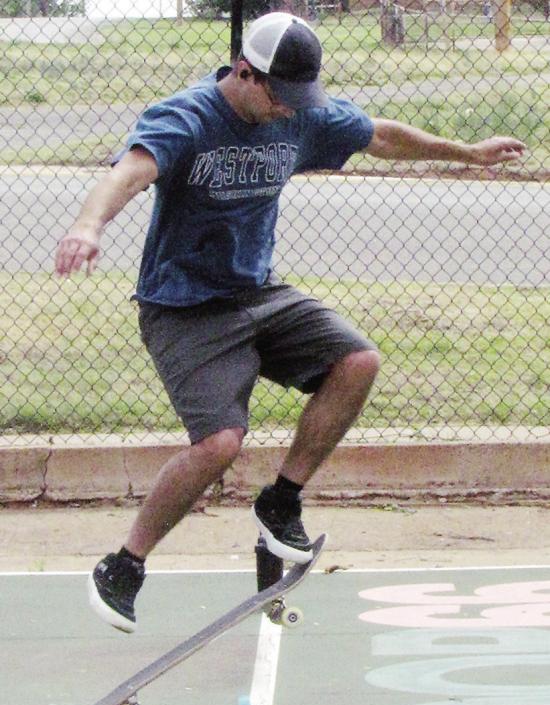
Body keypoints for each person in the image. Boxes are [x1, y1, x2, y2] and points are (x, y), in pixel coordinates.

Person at [55, 12, 526, 634]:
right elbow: (131, 171)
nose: (287, 112)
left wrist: (465, 153)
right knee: (220, 442)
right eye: (278, 97)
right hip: (184, 307)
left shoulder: (298, 112)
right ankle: (124, 565)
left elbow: (379, 136)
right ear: (244, 74)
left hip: (260, 292)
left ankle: (281, 500)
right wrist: (89, 227)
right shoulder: (188, 117)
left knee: (357, 360)